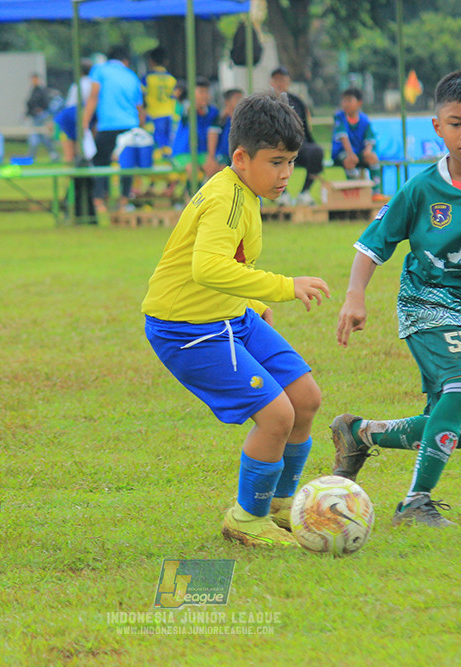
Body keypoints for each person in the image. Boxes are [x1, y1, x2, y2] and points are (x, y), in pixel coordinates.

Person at [331, 70, 461, 528]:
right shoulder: (421, 188)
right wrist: (354, 296)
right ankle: (414, 503)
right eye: (456, 123)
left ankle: (359, 433)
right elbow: (372, 244)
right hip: (423, 299)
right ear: (437, 127)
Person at [141, 93, 330, 547]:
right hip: (187, 330)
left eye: (291, 162)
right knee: (276, 415)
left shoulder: (246, 190)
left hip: (230, 317)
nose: (286, 173)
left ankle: (282, 507)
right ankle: (246, 518)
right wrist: (283, 287)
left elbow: (229, 264)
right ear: (241, 157)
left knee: (305, 398)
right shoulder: (226, 199)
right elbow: (206, 268)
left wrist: (250, 302)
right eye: (277, 162)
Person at [81, 46, 145, 213]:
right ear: (126, 61)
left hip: (108, 125)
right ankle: (123, 201)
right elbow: (139, 106)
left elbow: (93, 96)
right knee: (127, 165)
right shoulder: (132, 75)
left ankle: (99, 200)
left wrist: (84, 121)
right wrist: (141, 127)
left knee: (101, 162)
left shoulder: (100, 70)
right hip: (130, 125)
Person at [269, 66, 324, 207]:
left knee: (316, 152)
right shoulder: (265, 102)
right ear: (271, 82)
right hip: (275, 146)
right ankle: (282, 194)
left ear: (288, 82)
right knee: (271, 154)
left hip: (298, 145)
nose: (280, 83)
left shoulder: (297, 102)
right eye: (277, 80)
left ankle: (304, 193)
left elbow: (305, 127)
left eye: (283, 79)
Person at [168, 78, 219, 189]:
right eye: (201, 92)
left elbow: (213, 133)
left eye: (207, 92)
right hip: (183, 153)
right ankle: (190, 199)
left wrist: (211, 157)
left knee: (214, 168)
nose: (205, 95)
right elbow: (186, 110)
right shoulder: (184, 108)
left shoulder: (213, 112)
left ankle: (205, 196)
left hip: (201, 153)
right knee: (193, 170)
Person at [331, 88, 379, 180]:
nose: (345, 104)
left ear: (359, 103)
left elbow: (370, 139)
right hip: (343, 152)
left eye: (349, 101)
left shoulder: (365, 120)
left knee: (373, 158)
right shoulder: (339, 117)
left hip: (359, 152)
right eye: (344, 100)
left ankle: (375, 191)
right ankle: (355, 189)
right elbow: (343, 137)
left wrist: (368, 151)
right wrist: (350, 153)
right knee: (349, 160)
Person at [54, 59, 94, 164]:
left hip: (69, 116)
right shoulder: (92, 83)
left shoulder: (77, 84)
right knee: (85, 152)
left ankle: (71, 179)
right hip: (81, 116)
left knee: (69, 156)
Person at [142, 47, 177, 160]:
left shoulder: (147, 78)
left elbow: (141, 97)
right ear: (166, 61)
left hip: (154, 116)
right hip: (169, 115)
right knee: (168, 146)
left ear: (151, 61)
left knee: (156, 148)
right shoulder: (171, 79)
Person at [204, 88, 244, 177]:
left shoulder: (244, 119)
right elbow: (212, 136)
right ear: (227, 102)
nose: (241, 101)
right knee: (221, 169)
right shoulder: (221, 119)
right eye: (237, 98)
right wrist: (211, 157)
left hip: (240, 154)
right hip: (224, 155)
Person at [25, 73, 60, 161]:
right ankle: (33, 156)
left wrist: (40, 110)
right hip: (35, 117)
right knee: (39, 137)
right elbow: (30, 104)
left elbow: (46, 103)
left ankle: (33, 156)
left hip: (40, 117)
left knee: (42, 137)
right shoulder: (33, 90)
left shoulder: (41, 91)